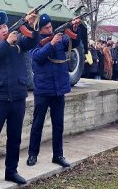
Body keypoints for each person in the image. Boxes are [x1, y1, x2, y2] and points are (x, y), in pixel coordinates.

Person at [0, 11, 38, 188]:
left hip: (18, 94)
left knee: (15, 136)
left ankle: (11, 170)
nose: (4, 29)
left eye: (4, 26)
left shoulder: (17, 39)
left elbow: (32, 42)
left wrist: (30, 26)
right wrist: (7, 42)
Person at [26, 13, 82, 168]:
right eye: (46, 28)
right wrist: (51, 44)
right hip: (43, 89)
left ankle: (58, 155)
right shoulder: (34, 41)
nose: (49, 29)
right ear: (40, 29)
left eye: (50, 26)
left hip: (59, 89)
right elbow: (37, 57)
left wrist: (75, 28)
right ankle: (32, 154)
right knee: (37, 124)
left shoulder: (59, 38)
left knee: (58, 125)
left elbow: (74, 43)